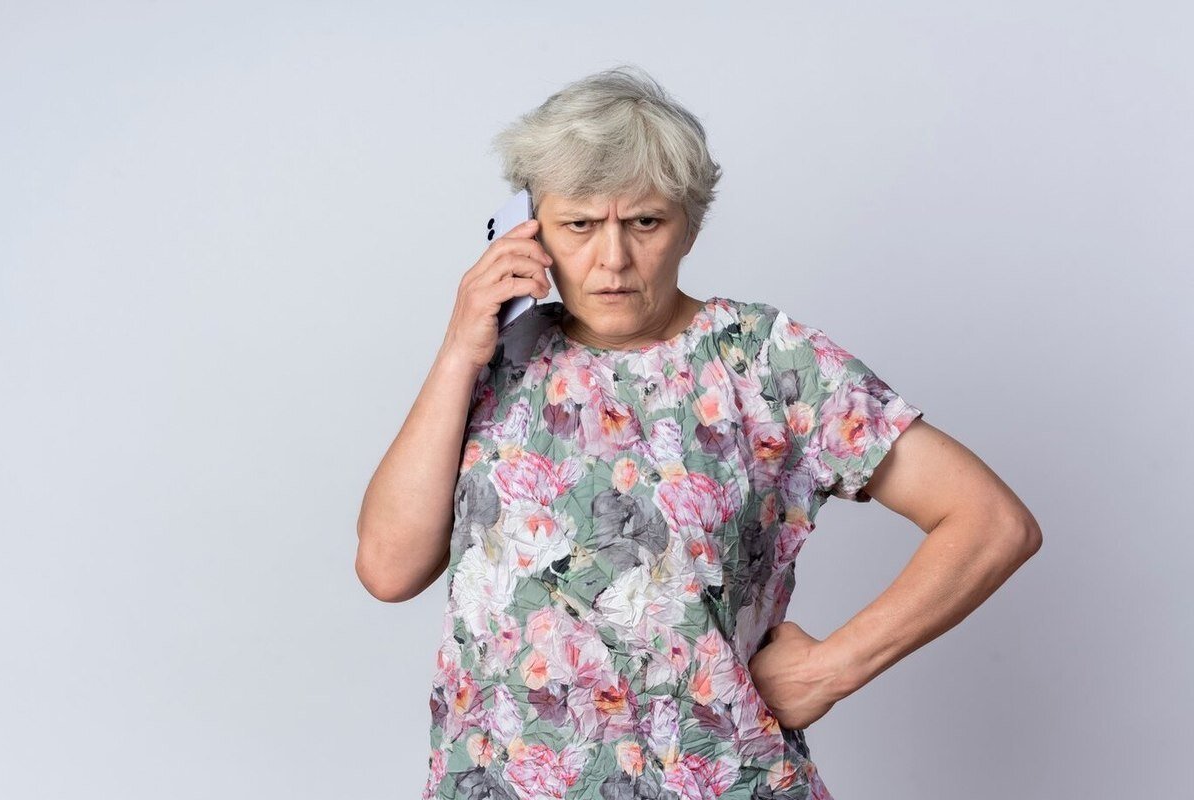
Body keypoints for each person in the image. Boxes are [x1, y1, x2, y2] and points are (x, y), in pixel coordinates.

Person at [355, 65, 1043, 800]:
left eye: (645, 222)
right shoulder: (493, 354)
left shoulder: (762, 359)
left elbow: (992, 523)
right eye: (579, 224)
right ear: (528, 225)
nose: (613, 259)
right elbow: (389, 570)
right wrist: (458, 350)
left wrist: (833, 668)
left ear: (690, 224)